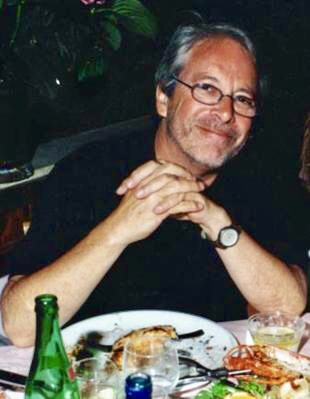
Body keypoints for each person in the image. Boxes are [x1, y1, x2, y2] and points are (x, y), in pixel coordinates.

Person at [1, 23, 307, 347]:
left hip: (206, 378)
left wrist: (215, 220)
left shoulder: (263, 180)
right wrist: (118, 229)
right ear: (163, 97)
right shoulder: (86, 172)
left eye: (243, 98)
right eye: (207, 88)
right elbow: (20, 327)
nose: (226, 112)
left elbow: (288, 307)